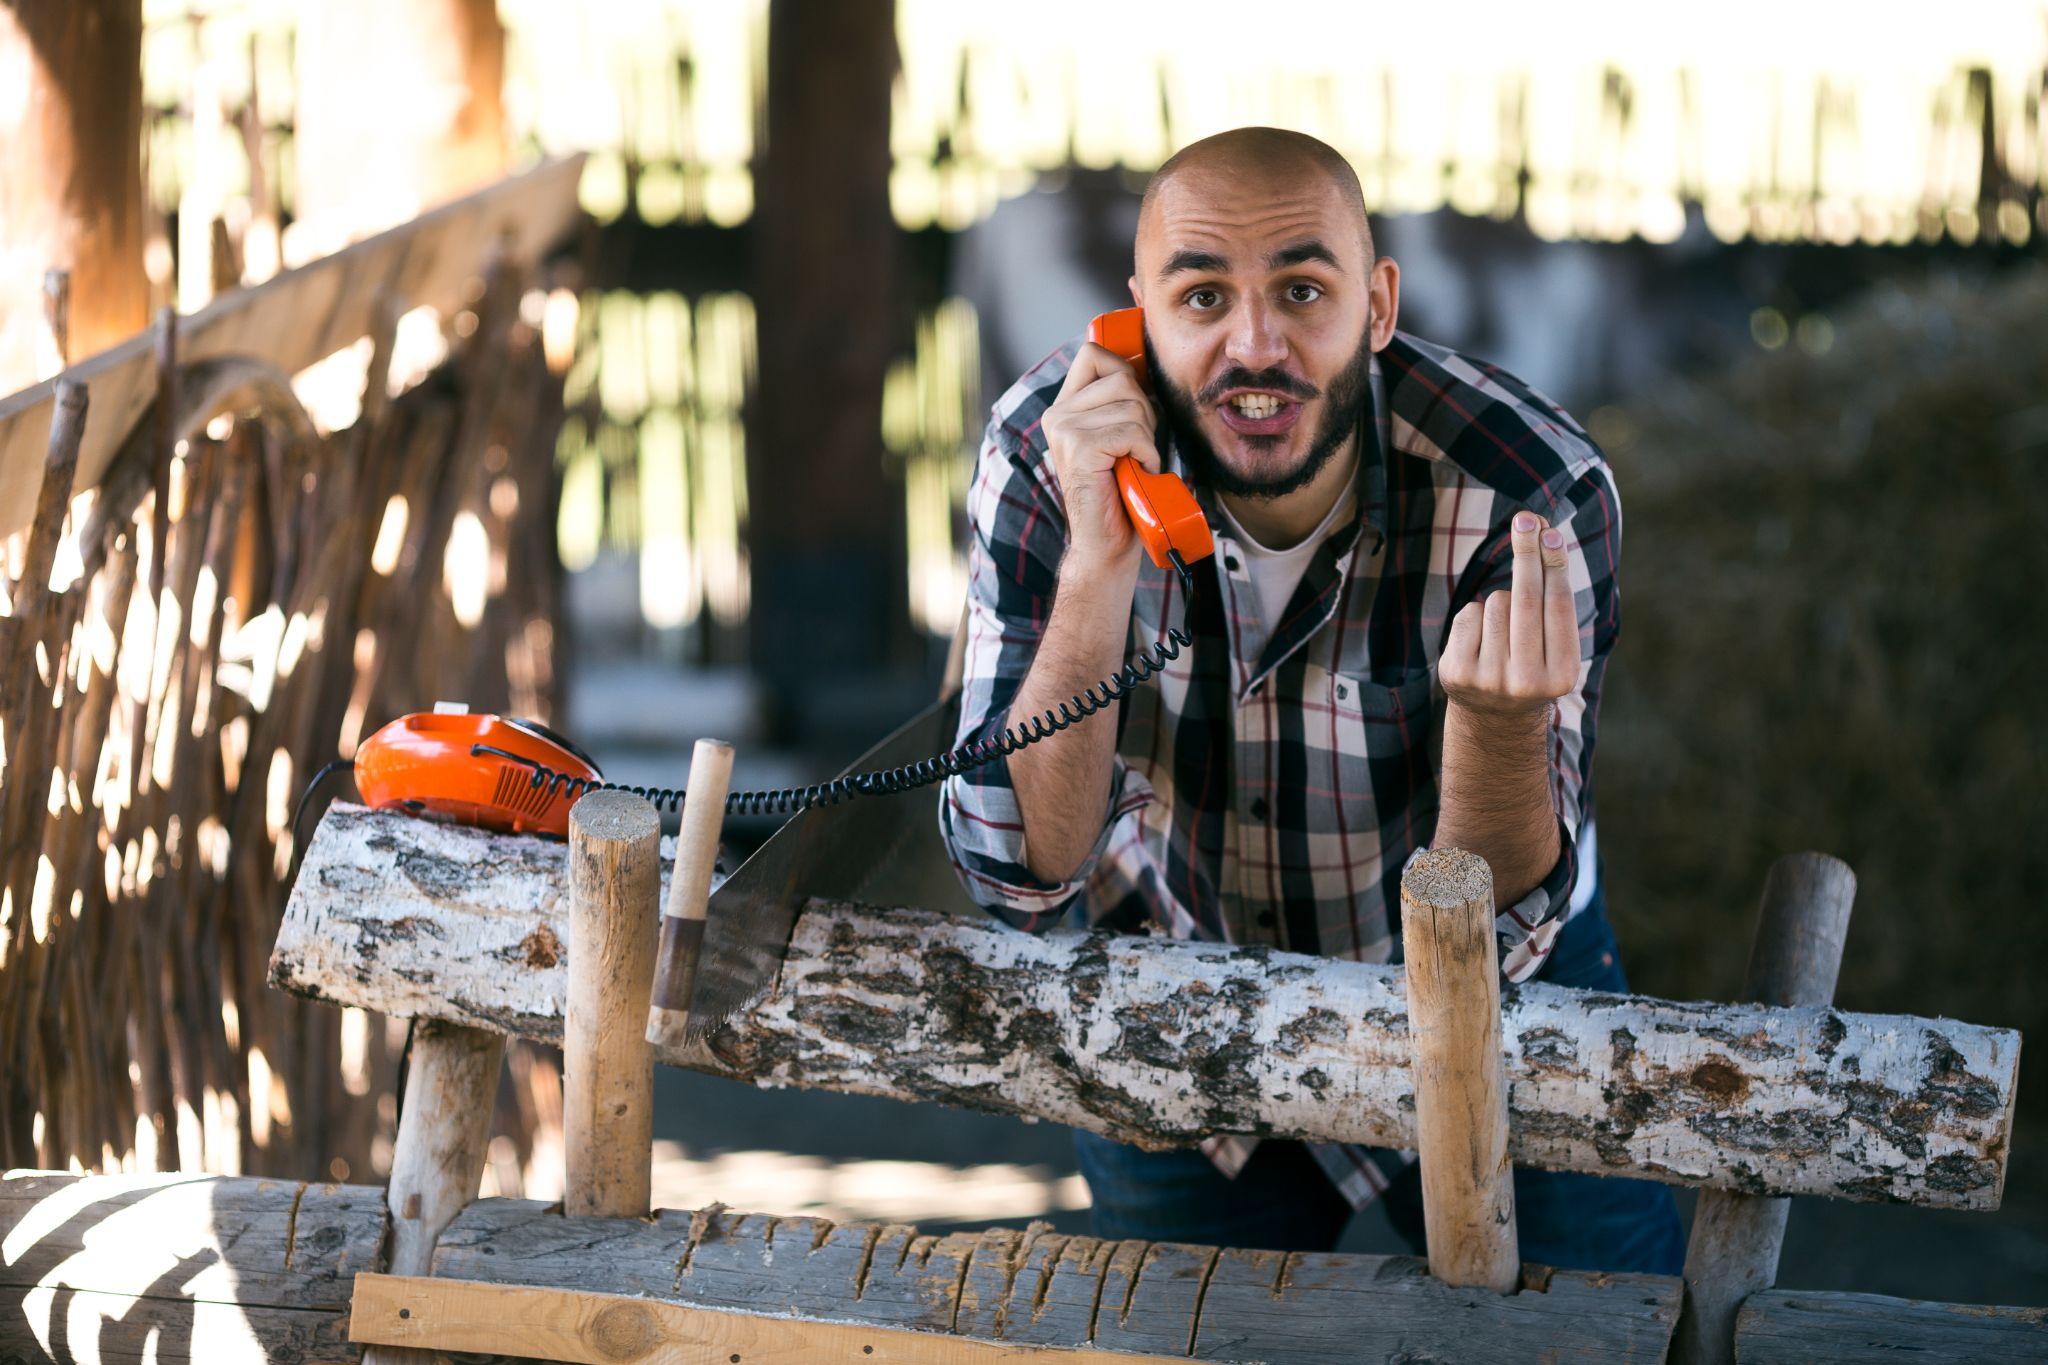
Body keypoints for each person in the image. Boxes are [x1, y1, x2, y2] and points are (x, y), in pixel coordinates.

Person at [936, 126, 1683, 1274]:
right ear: (1133, 317)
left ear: (1377, 306)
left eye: (1301, 289)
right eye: (1199, 297)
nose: (1253, 345)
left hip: (1501, 997)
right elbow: (1020, 871)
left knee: (1600, 1338)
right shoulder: (1051, 457)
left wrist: (1491, 728)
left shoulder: (1527, 490)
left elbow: (1504, 918)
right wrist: (1097, 568)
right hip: (1183, 979)